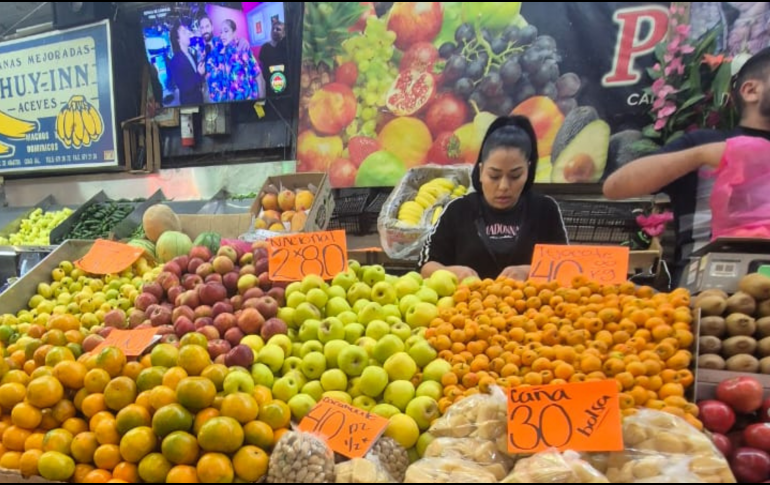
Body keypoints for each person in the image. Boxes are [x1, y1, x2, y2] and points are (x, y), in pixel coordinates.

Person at [603, 47, 770, 274]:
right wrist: (698, 155)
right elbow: (616, 187)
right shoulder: (706, 144)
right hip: (707, 292)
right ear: (751, 91)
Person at [419, 116, 569, 282]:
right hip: (465, 306)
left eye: (515, 175)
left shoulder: (545, 210)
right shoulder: (458, 210)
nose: (504, 186)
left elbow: (565, 266)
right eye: (494, 175)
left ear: (528, 170)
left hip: (533, 306)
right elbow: (425, 266)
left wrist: (529, 271)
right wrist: (450, 272)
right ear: (482, 170)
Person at [205, 19, 264, 102]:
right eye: (221, 32)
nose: (222, 35)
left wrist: (260, 103)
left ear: (234, 32)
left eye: (226, 31)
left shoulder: (243, 50)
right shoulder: (216, 55)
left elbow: (259, 77)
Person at [167, 21, 205, 106]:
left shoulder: (191, 54)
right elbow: (184, 87)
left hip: (199, 98)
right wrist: (199, 74)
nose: (188, 34)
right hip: (190, 102)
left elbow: (194, 74)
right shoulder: (175, 62)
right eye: (184, 32)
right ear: (178, 39)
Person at [258, 20, 288, 95]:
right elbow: (261, 67)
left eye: (278, 29)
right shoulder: (265, 47)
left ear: (284, 33)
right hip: (269, 86)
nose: (274, 31)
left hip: (284, 86)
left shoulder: (286, 47)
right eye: (273, 29)